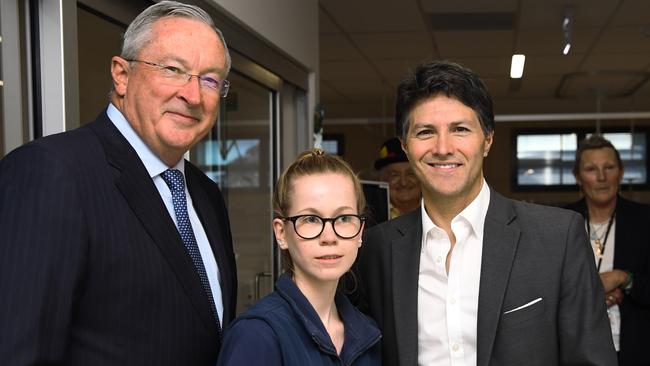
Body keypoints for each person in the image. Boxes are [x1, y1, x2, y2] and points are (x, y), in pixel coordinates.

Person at [0, 2, 237, 365]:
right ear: (121, 75)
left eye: (209, 79)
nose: (193, 96)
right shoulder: (52, 171)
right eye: (174, 69)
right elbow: (20, 350)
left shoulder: (206, 195)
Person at [354, 60, 617, 365]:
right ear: (405, 145)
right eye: (425, 132)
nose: (443, 147)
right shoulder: (375, 250)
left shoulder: (557, 238)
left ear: (487, 140)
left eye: (460, 129)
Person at [218, 149, 381, 365]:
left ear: (360, 231)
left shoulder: (368, 334)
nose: (329, 236)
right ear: (281, 233)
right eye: (311, 219)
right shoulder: (257, 335)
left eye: (343, 218)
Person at [565, 135, 650, 366]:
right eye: (591, 169)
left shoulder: (645, 221)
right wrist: (593, 293)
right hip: (576, 351)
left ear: (620, 172)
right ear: (578, 177)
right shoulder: (560, 222)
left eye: (609, 167)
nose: (601, 177)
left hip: (635, 351)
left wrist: (624, 279)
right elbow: (544, 287)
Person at [375, 137, 422, 218]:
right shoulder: (371, 217)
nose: (403, 182)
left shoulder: (437, 212)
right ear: (382, 179)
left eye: (411, 173)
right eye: (394, 175)